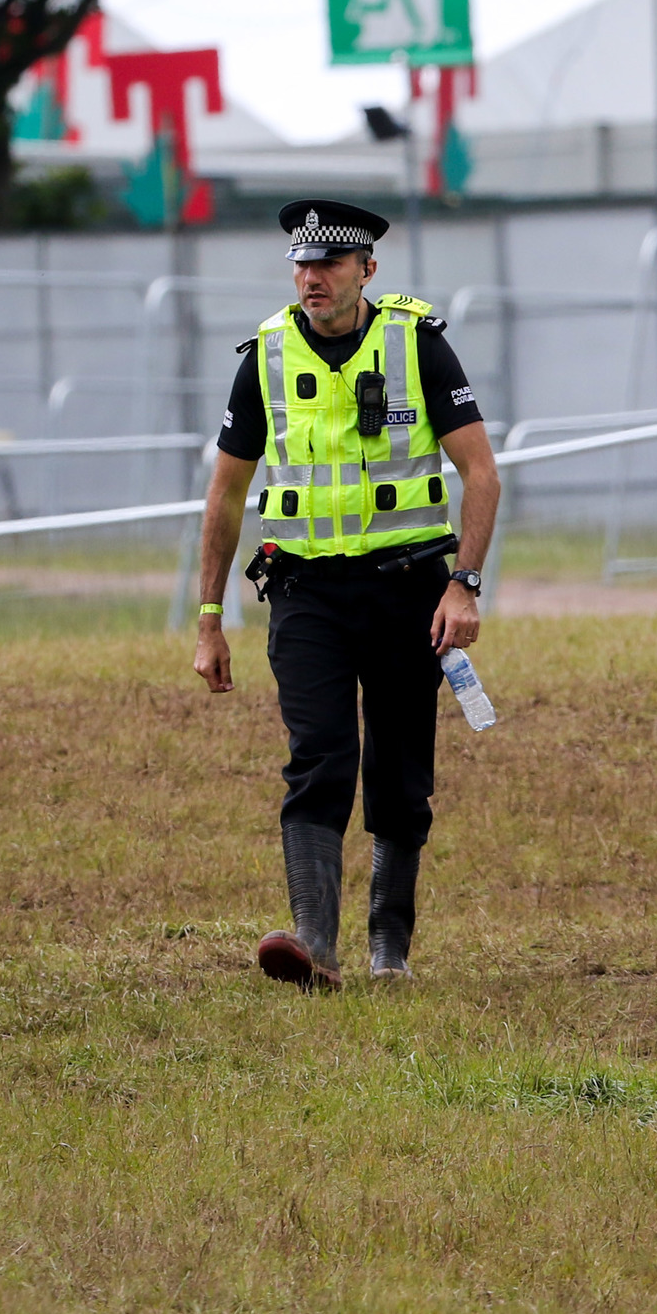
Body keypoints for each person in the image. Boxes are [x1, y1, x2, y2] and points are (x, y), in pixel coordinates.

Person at [192, 200, 501, 989]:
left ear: (368, 270)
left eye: (328, 264)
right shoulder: (262, 355)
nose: (311, 277)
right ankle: (313, 945)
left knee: (400, 772)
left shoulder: (418, 346)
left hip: (409, 592)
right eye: (301, 263)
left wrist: (463, 586)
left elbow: (482, 474)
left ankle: (389, 949)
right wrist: (208, 619)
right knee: (319, 757)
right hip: (306, 594)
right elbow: (226, 496)